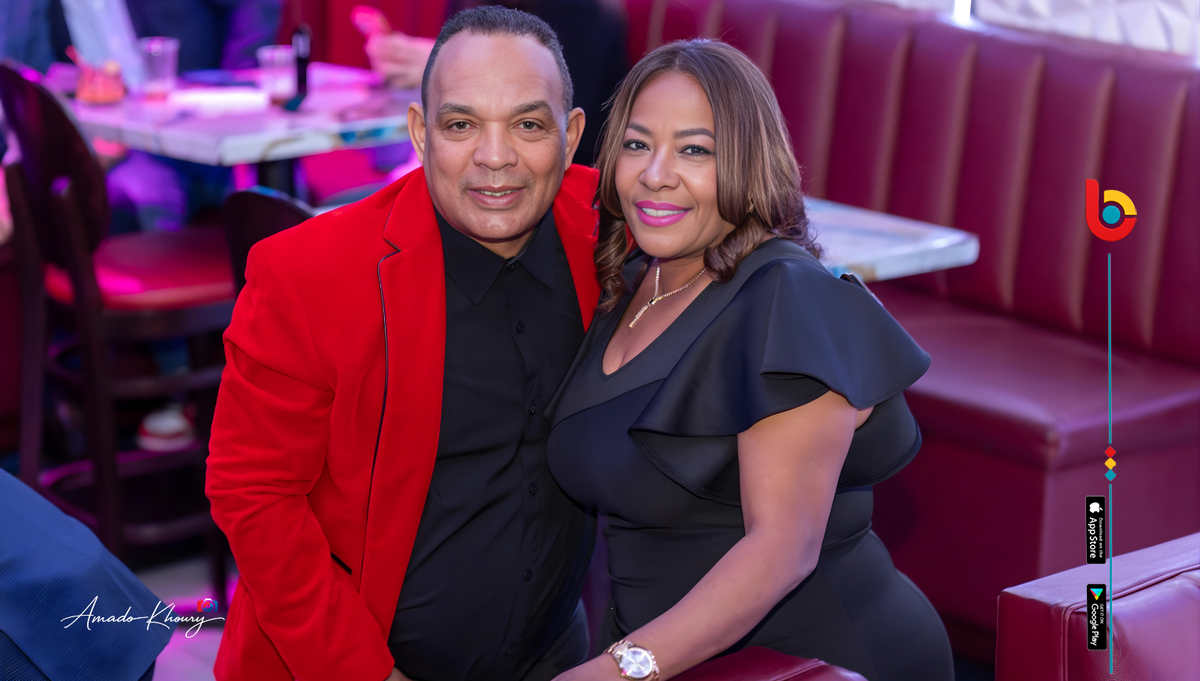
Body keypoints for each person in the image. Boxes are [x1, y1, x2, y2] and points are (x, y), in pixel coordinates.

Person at [206, 7, 600, 681]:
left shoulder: (613, 230)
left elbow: (740, 220)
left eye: (529, 125)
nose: (495, 157)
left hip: (557, 654)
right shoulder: (309, 274)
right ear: (420, 133)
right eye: (461, 124)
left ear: (571, 137)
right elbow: (255, 492)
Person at [545, 40, 955, 681]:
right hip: (668, 655)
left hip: (817, 661)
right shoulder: (631, 282)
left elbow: (781, 550)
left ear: (746, 161)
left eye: (694, 150)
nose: (655, 173)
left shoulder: (787, 298)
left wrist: (616, 671)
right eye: (636, 144)